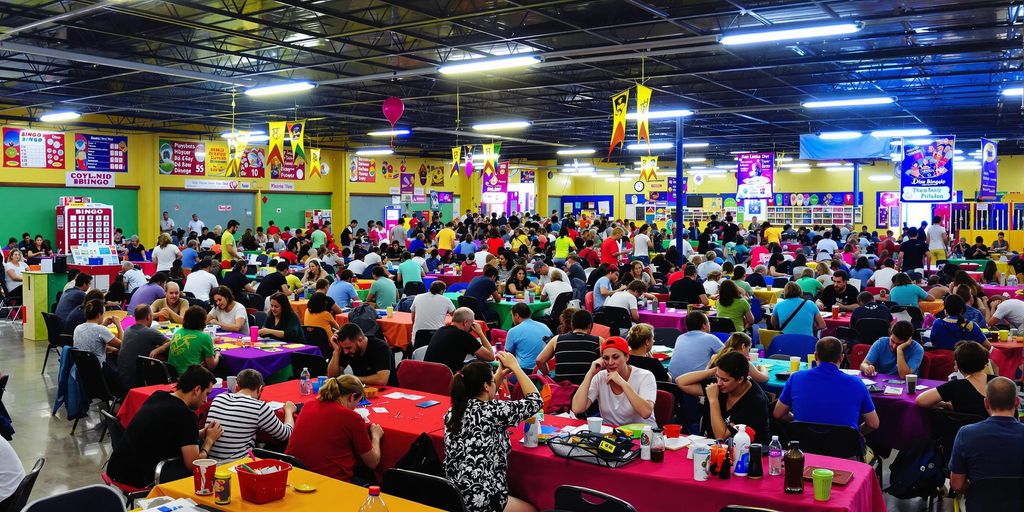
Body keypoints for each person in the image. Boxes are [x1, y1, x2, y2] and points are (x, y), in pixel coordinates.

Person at [444, 355, 542, 512]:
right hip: (482, 500)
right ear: (486, 386)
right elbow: (535, 401)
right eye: (492, 381)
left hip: (455, 495)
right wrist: (516, 368)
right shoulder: (493, 412)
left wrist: (499, 374)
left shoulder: (453, 411)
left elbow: (485, 393)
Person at [106, 366, 223, 488]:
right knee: (201, 474)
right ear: (197, 389)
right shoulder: (186, 415)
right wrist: (209, 440)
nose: (205, 401)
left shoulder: (158, 396)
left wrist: (201, 433)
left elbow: (171, 432)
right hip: (138, 478)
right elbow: (194, 465)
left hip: (118, 467)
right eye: (206, 394)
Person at [286, 374, 383, 483]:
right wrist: (376, 436)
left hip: (294, 474)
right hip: (329, 482)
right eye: (358, 401)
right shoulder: (352, 417)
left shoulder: (308, 405)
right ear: (352, 396)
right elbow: (373, 462)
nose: (356, 407)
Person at [774, 337, 879, 432]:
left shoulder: (795, 378)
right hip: (844, 450)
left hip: (804, 449)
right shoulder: (857, 383)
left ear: (815, 356)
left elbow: (778, 414)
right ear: (842, 358)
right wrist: (856, 433)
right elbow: (873, 424)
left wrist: (797, 420)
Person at [948, 377, 1024, 501]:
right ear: (1016, 402)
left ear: (986, 403)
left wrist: (977, 493)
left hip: (980, 504)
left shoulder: (966, 434)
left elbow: (957, 484)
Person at [676, 350, 771, 445]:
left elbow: (721, 436)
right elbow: (681, 382)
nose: (719, 383)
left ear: (740, 379)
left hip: (747, 453)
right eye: (717, 377)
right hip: (709, 447)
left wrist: (713, 400)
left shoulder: (755, 401)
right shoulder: (722, 385)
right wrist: (715, 371)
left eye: (725, 379)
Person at [207, 369, 295, 461]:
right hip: (236, 465)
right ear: (260, 389)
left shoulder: (218, 398)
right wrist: (289, 410)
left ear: (237, 387)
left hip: (210, 463)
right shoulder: (259, 407)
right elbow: (286, 435)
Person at [571, 336, 657, 427]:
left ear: (627, 357)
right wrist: (590, 374)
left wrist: (623, 383)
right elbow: (577, 408)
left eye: (615, 357)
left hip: (643, 435)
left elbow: (646, 413)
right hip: (612, 435)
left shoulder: (645, 376)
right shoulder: (600, 377)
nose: (610, 362)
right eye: (606, 358)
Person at [915, 341, 995, 416]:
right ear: (985, 363)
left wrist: (945, 405)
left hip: (961, 429)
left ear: (957, 365)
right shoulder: (1000, 382)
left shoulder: (954, 386)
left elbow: (920, 401)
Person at [535, 309, 602, 384]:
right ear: (590, 325)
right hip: (588, 388)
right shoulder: (599, 341)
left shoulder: (557, 339)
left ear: (572, 325)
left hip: (562, 389)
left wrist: (548, 374)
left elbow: (539, 360)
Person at [151, 305, 219, 375]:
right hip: (190, 377)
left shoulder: (178, 332)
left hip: (173, 375)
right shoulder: (205, 337)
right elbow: (212, 366)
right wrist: (217, 353)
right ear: (203, 321)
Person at [425, 307, 495, 374]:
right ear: (465, 322)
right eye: (471, 324)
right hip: (447, 377)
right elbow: (490, 357)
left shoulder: (440, 330)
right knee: (486, 367)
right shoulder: (464, 336)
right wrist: (480, 333)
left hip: (428, 374)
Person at [117, 305, 170, 389]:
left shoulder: (127, 330)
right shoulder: (150, 332)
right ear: (149, 317)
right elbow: (171, 342)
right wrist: (160, 349)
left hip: (121, 379)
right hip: (139, 382)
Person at [667, 311, 725, 378]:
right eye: (708, 323)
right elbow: (729, 355)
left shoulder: (680, 337)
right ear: (704, 325)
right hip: (696, 381)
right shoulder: (710, 338)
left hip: (673, 381)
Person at [504, 303, 551, 373]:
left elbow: (508, 355)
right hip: (546, 370)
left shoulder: (513, 331)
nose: (512, 318)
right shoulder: (545, 327)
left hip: (525, 371)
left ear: (516, 315)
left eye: (512, 316)